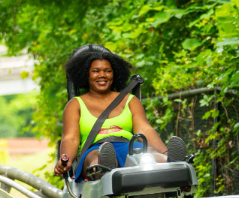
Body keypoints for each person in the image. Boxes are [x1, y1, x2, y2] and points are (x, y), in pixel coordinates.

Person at [54, 47, 184, 179]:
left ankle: (171, 161)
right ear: (86, 75)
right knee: (98, 159)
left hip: (129, 147)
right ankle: (105, 167)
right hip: (95, 149)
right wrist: (67, 160)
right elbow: (71, 138)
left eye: (108, 71)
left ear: (114, 74)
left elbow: (145, 130)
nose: (102, 75)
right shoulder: (75, 104)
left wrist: (165, 152)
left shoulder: (129, 100)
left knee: (148, 154)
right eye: (95, 71)